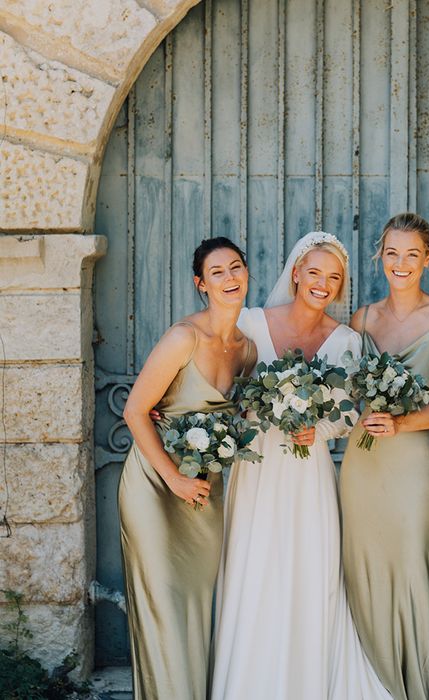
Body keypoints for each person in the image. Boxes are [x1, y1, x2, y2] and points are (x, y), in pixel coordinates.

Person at [211, 232, 390, 700]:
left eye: (333, 277)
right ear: (296, 273)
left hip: (308, 471)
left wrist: (323, 430)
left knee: (311, 573)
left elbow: (350, 412)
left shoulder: (347, 340)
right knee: (255, 569)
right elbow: (211, 364)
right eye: (314, 272)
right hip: (257, 470)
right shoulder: (250, 323)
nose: (322, 283)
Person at [119, 237, 255, 700]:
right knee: (162, 605)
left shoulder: (247, 351)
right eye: (217, 272)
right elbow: (136, 410)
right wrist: (173, 478)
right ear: (201, 284)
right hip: (155, 487)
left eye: (236, 267)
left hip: (204, 489)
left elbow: (238, 418)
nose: (230, 277)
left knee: (196, 606)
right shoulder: (184, 337)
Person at [339, 213, 429, 700]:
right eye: (392, 253)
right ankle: (371, 688)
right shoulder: (362, 320)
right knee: (364, 572)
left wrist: (401, 423)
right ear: (380, 256)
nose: (401, 263)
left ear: (427, 259)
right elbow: (344, 396)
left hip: (415, 465)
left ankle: (415, 689)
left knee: (411, 571)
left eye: (412, 254)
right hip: (363, 465)